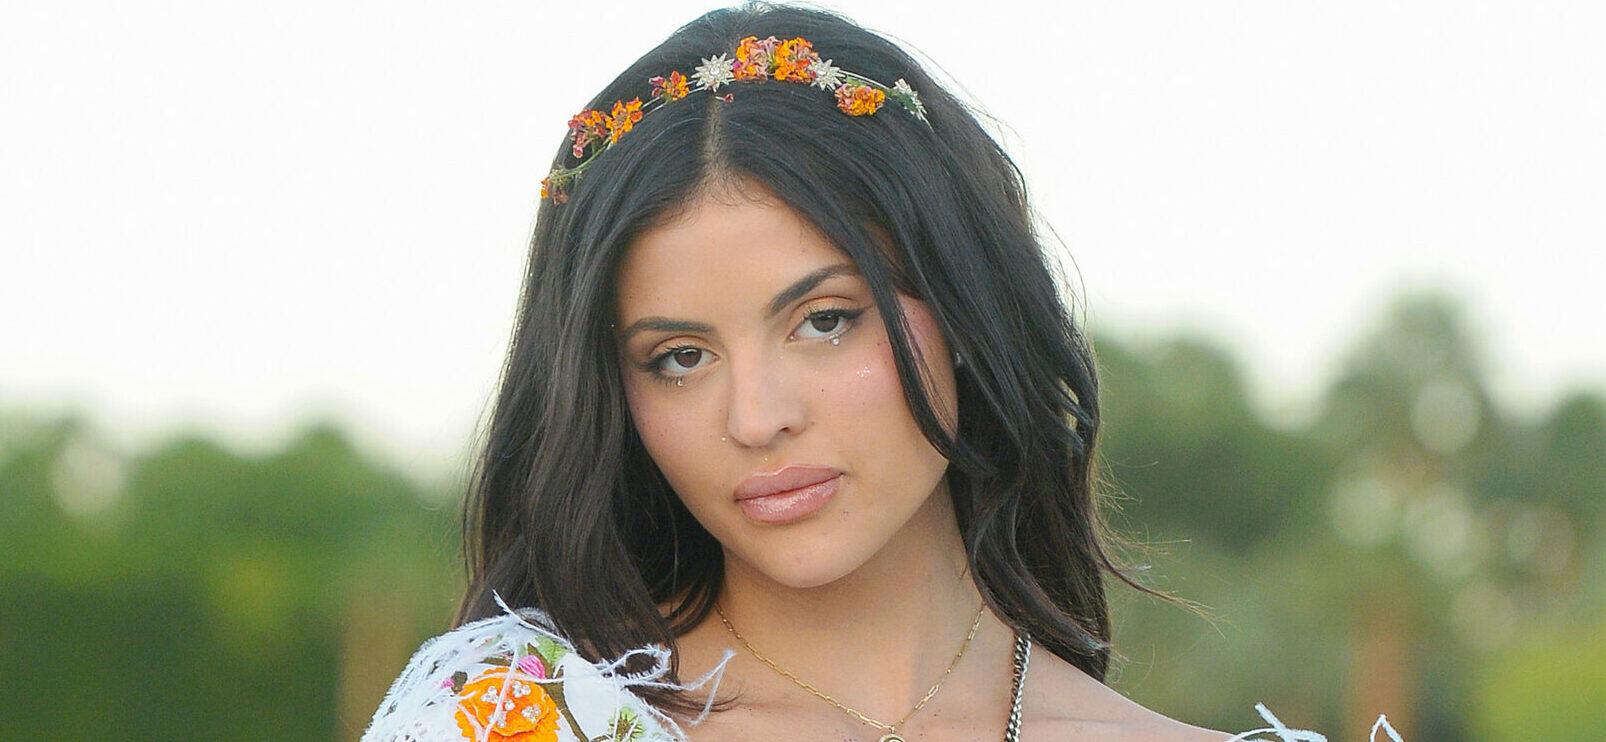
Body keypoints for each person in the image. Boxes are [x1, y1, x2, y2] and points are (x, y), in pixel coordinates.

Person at [362, 3, 1402, 741]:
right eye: (679, 357)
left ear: (964, 305)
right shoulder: (516, 719)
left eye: (825, 321)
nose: (757, 416)